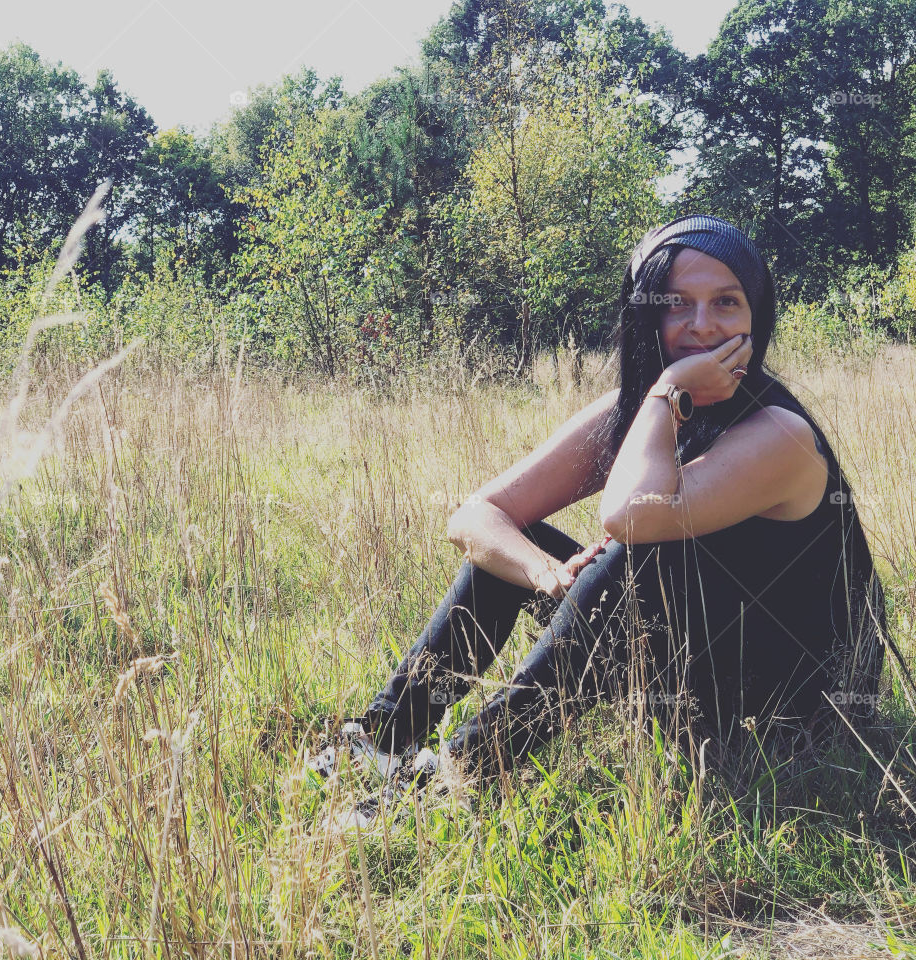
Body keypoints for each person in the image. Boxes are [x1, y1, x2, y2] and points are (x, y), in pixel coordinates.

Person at [308, 214, 889, 804]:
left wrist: (668, 392)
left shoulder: (779, 434)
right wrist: (544, 572)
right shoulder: (640, 409)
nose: (703, 326)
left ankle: (463, 771)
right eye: (677, 304)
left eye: (727, 302)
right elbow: (476, 515)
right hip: (695, 663)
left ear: (756, 316)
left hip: (792, 712)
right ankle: (383, 744)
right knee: (520, 542)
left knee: (632, 560)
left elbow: (632, 518)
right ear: (646, 315)